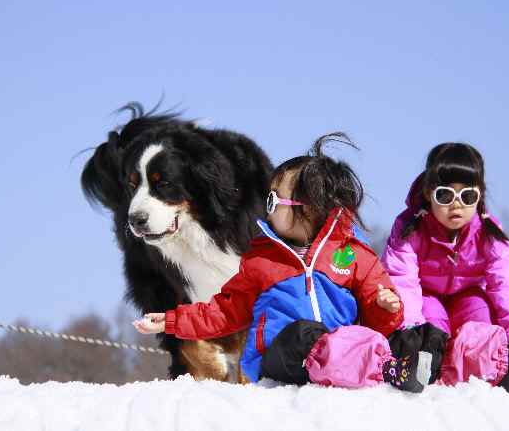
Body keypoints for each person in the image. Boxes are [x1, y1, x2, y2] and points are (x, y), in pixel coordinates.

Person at [134, 133, 432, 392]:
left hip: (343, 348)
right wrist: (173, 320)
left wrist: (385, 306)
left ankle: (416, 365)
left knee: (396, 335)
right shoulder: (261, 260)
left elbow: (377, 321)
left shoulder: (354, 255)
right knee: (304, 334)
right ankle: (385, 369)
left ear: (309, 209)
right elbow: (224, 311)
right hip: (281, 356)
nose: (267, 210)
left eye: (274, 203)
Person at [381, 142, 509, 392]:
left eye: (467, 196)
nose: (456, 205)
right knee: (431, 317)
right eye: (445, 195)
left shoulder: (487, 234)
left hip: (467, 297)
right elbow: (402, 281)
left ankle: (501, 363)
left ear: (480, 196)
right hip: (427, 298)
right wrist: (410, 333)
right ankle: (427, 360)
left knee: (480, 310)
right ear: (429, 193)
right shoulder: (410, 229)